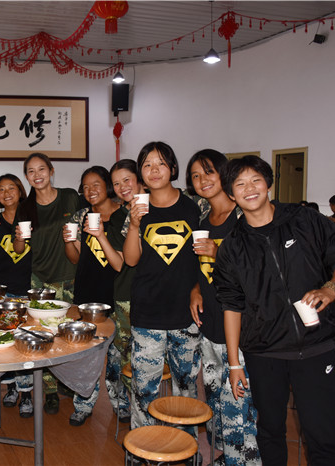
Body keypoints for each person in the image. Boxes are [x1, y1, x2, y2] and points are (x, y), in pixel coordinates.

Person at [215, 155, 335, 465]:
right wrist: (235, 364)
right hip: (264, 352)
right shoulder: (232, 247)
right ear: (231, 195)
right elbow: (232, 306)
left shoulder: (304, 220)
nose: (249, 189)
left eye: (256, 180)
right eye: (240, 184)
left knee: (322, 436)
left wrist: (331, 289)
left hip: (316, 346)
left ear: (268, 184)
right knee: (270, 431)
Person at [186, 149, 260, 465]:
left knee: (238, 406)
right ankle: (227, 456)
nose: (202, 180)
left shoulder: (243, 217)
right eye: (195, 176)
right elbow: (200, 269)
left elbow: (258, 270)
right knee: (217, 401)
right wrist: (195, 290)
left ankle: (244, 460)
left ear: (224, 173)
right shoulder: (204, 220)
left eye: (208, 172)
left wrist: (218, 252)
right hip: (211, 325)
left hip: (240, 329)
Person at [123, 141, 201, 430]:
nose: (154, 170)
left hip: (186, 313)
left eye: (161, 164)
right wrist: (134, 225)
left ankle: (187, 445)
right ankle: (141, 447)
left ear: (173, 168)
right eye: (147, 165)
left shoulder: (196, 206)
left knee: (186, 389)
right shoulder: (137, 207)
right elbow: (131, 260)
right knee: (144, 390)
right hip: (148, 313)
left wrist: (198, 288)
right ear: (141, 173)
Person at [63, 166, 127, 426]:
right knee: (85, 355)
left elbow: (123, 261)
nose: (90, 191)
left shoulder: (124, 214)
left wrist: (101, 235)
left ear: (108, 185)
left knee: (116, 355)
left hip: (115, 292)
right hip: (87, 293)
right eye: (86, 186)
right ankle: (83, 404)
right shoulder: (81, 216)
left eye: (96, 184)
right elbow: (76, 258)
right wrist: (69, 241)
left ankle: (120, 402)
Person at [18, 152, 81, 414]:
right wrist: (19, 237)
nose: (37, 175)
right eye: (31, 171)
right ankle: (50, 390)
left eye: (41, 169)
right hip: (39, 278)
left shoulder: (69, 197)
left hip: (68, 274)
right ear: (26, 176)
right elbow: (19, 247)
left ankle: (69, 382)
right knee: (44, 334)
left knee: (67, 334)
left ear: (51, 170)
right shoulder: (25, 207)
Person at [0, 174, 33, 417]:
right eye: (1, 189)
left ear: (20, 191)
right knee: (3, 340)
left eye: (11, 188)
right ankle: (10, 387)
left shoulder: (32, 217)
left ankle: (27, 392)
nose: (7, 193)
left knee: (23, 341)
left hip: (25, 288)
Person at [108, 159, 146, 425]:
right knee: (122, 355)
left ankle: (149, 411)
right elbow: (122, 262)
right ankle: (124, 404)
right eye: (116, 183)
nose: (122, 187)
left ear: (139, 179)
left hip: (158, 295)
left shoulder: (161, 207)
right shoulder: (118, 217)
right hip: (126, 295)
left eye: (126, 180)